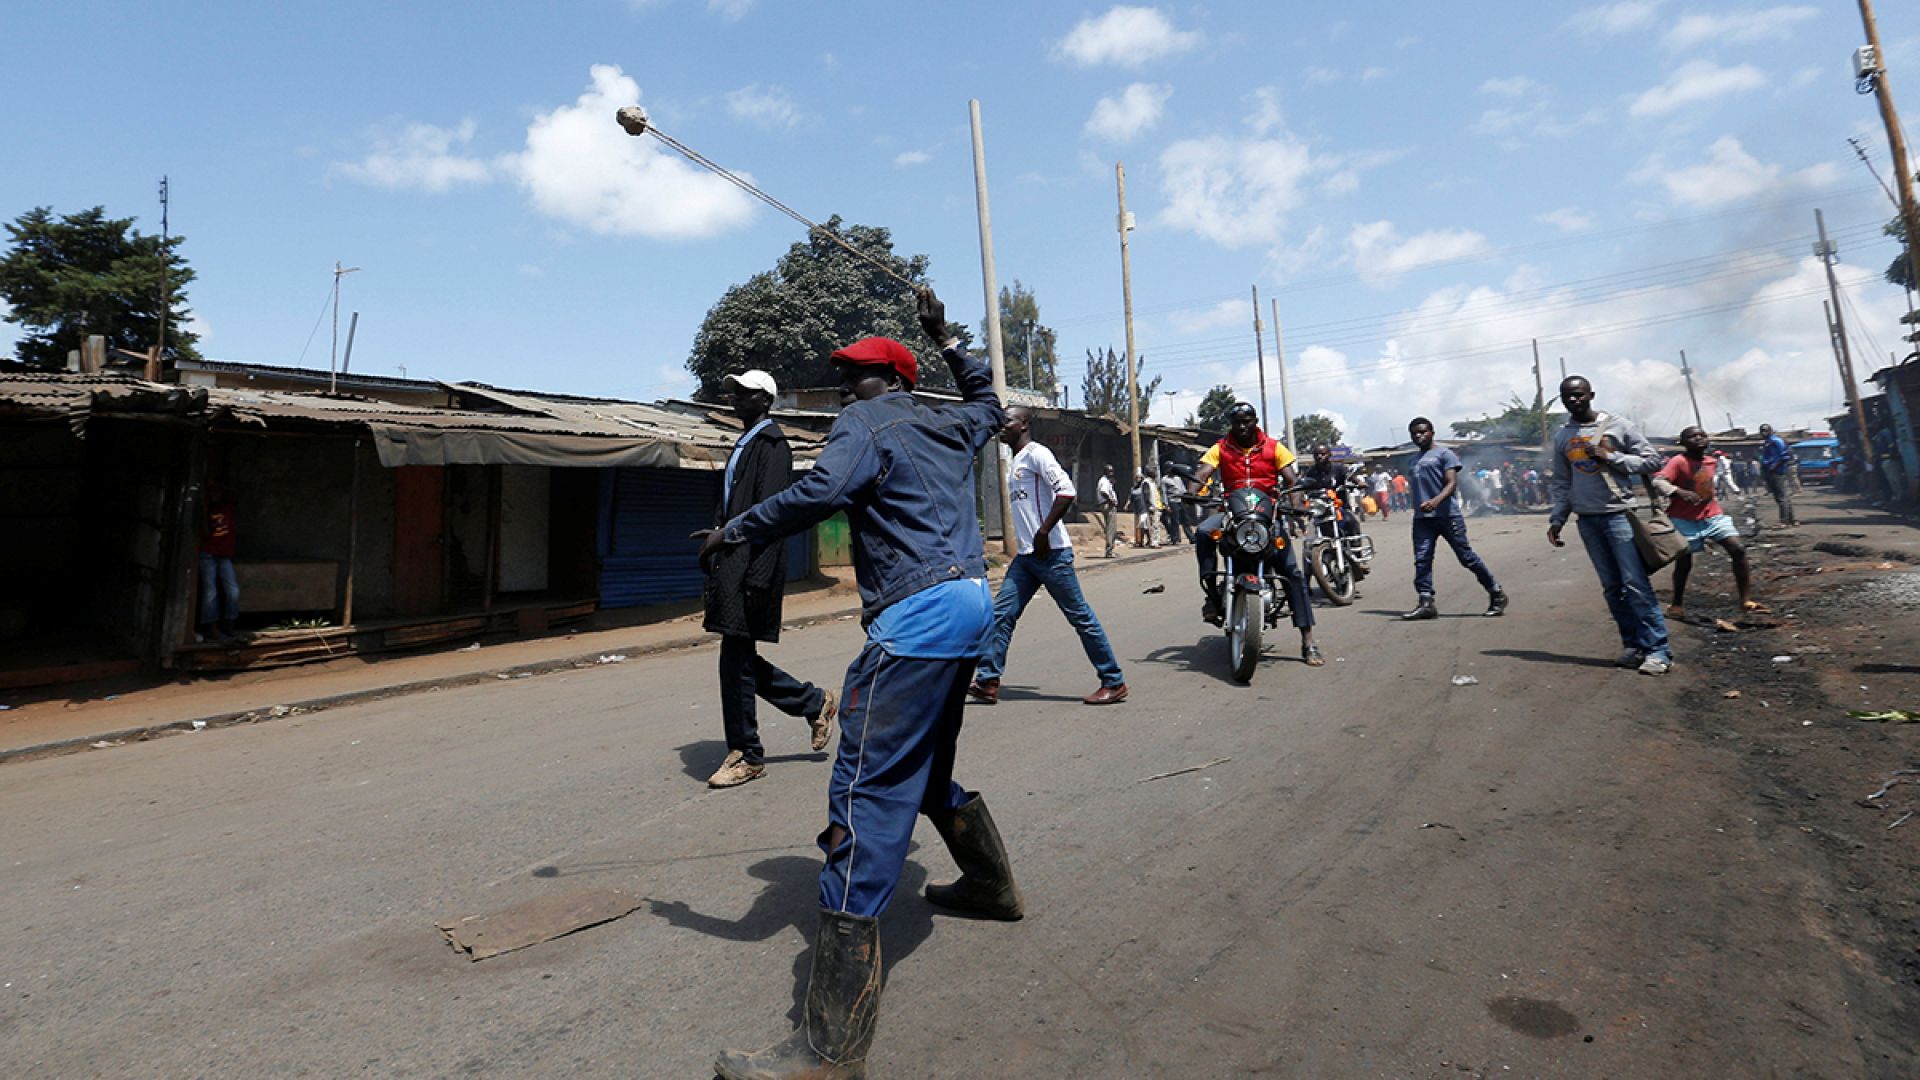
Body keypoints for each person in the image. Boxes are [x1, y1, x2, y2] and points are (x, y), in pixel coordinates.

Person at [702, 290, 1019, 1079]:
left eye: (853, 376)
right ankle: (989, 886)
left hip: (914, 619)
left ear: (880, 381)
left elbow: (819, 493)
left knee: (863, 793)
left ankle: (828, 1051)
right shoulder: (952, 419)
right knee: (929, 768)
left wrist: (734, 531)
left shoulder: (865, 425)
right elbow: (988, 397)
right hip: (973, 603)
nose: (845, 387)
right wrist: (948, 338)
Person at [696, 369, 838, 790]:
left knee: (735, 659)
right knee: (736, 659)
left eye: (748, 393)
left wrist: (757, 575)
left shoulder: (772, 445)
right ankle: (814, 703)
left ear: (766, 400)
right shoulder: (744, 443)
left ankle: (747, 754)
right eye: (735, 392)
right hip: (732, 561)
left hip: (751, 565)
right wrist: (715, 547)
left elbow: (772, 515)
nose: (737, 398)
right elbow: (732, 508)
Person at [969, 406, 1129, 707]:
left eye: (1008, 422)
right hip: (1027, 558)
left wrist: (1043, 532)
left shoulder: (1037, 454)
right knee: (1001, 614)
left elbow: (1066, 491)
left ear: (1025, 424)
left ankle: (1113, 681)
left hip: (1051, 554)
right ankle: (988, 680)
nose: (1002, 427)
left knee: (1080, 617)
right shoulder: (1016, 460)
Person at [1547, 375, 1673, 675]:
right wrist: (1557, 518)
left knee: (1636, 585)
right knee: (1612, 587)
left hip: (1618, 515)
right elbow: (1563, 482)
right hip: (1587, 520)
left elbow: (1653, 461)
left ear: (1591, 394)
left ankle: (1658, 651)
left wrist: (1611, 456)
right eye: (1567, 397)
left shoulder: (1619, 425)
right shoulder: (1563, 436)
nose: (1573, 400)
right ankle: (1633, 645)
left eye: (1579, 395)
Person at [1187, 402, 1324, 666]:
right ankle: (1213, 597)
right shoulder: (1220, 448)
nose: (1242, 425)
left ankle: (1308, 641)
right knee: (1204, 532)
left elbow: (1292, 481)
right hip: (1231, 512)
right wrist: (1191, 491)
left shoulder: (1274, 447)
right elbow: (1202, 472)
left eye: (1247, 420)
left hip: (1267, 515)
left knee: (1292, 573)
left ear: (1255, 420)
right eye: (1237, 421)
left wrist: (1295, 508)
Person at [1400, 418, 1508, 621]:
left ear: (1432, 432)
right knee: (1422, 560)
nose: (1418, 436)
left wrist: (1436, 500)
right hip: (1423, 519)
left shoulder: (1445, 454)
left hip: (1447, 516)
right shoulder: (1412, 461)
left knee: (1466, 557)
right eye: (1414, 433)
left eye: (1423, 432)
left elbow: (1451, 483)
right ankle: (1426, 602)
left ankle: (1496, 593)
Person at [1654, 426, 1755, 620]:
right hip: (1684, 519)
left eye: (1702, 435)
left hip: (1712, 516)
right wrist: (1679, 492)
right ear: (1682, 443)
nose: (1699, 439)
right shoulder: (1678, 461)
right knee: (1684, 562)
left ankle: (1745, 600)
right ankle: (1677, 604)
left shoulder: (1711, 461)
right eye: (1692, 436)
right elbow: (1659, 482)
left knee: (1738, 550)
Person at [198, 481, 242, 643]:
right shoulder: (207, 510)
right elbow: (204, 532)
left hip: (224, 556)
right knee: (211, 592)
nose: (215, 496)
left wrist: (221, 490)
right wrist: (204, 509)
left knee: (233, 591)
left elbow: (235, 494)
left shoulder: (226, 507)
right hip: (208, 555)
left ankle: (228, 625)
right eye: (212, 493)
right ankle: (213, 629)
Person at [1757, 424, 1796, 526]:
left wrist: (1774, 466)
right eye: (1761, 431)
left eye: (1765, 431)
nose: (1763, 433)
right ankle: (1792, 520)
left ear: (1770, 430)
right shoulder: (1767, 442)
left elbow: (1785, 456)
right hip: (1770, 471)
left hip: (1777, 471)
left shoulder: (1776, 441)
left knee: (1781, 497)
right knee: (1782, 497)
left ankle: (1784, 521)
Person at [1159, 464, 1193, 544]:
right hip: (1172, 501)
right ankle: (1176, 539)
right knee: (1175, 521)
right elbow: (1163, 493)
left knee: (1186, 520)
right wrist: (1166, 505)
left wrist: (1187, 498)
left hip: (1180, 500)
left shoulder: (1178, 478)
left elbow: (1183, 489)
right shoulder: (1164, 480)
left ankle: (1192, 538)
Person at [1097, 464, 1120, 557]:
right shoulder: (1104, 481)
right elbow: (1103, 492)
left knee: (1111, 528)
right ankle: (1109, 551)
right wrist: (1111, 501)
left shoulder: (1106, 481)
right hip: (1108, 505)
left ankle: (1110, 549)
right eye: (1109, 471)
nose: (1111, 473)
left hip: (1107, 505)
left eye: (1112, 471)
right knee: (1111, 529)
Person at [1130, 469, 1156, 548]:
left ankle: (1144, 540)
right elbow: (1130, 497)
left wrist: (1150, 506)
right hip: (1137, 509)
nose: (1138, 479)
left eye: (1139, 478)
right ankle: (1141, 541)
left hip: (1144, 508)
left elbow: (1147, 496)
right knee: (1142, 525)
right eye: (1136, 478)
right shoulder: (1134, 488)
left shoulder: (1144, 486)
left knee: (1143, 524)